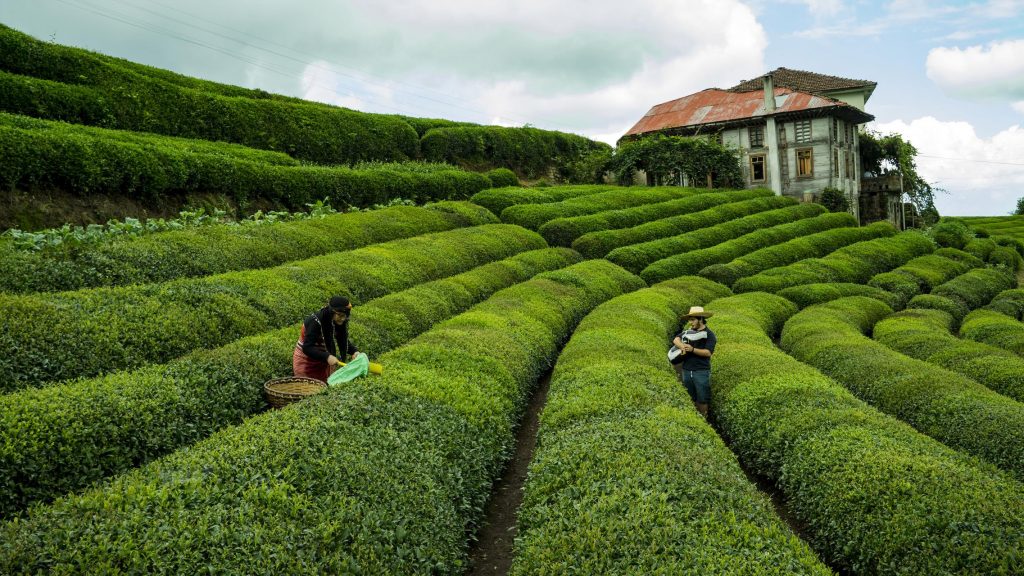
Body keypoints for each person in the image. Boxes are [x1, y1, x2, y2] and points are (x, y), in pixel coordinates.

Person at [293, 295, 361, 382]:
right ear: (332, 311)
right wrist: (327, 357)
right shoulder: (314, 321)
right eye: (340, 315)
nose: (343, 319)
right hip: (306, 363)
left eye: (345, 316)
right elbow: (307, 347)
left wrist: (354, 351)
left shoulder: (336, 320)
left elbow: (342, 339)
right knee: (308, 390)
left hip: (323, 363)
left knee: (323, 389)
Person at [672, 305, 717, 418]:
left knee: (702, 399)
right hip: (687, 370)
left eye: (693, 320)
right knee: (690, 398)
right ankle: (693, 419)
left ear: (700, 319)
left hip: (701, 371)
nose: (690, 323)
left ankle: (704, 421)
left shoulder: (709, 335)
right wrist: (682, 346)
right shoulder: (688, 332)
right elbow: (675, 339)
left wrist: (692, 349)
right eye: (690, 320)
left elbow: (707, 352)